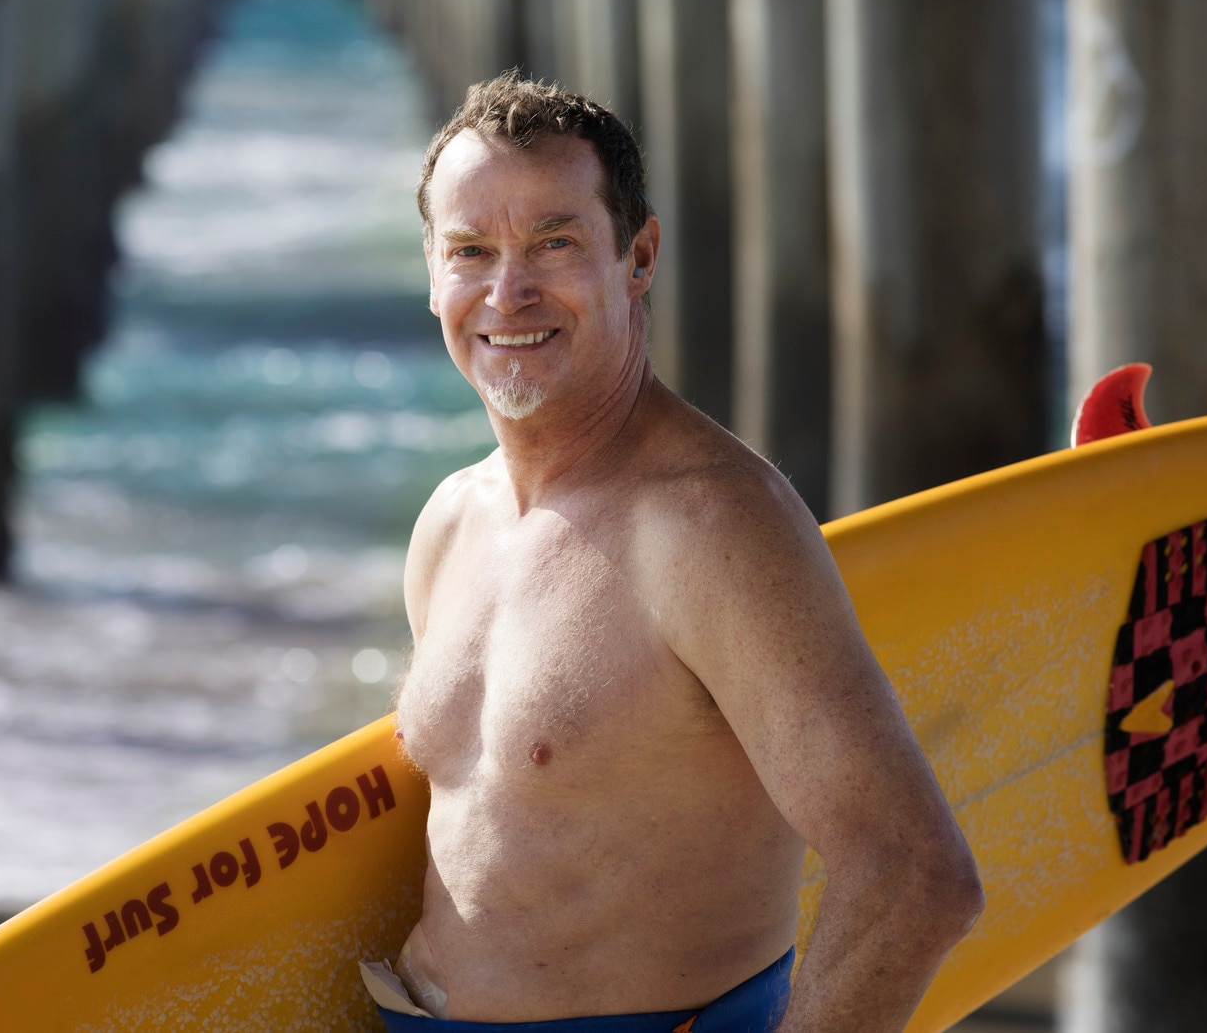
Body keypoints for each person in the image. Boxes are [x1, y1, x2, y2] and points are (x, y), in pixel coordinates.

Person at [363, 74, 983, 1032]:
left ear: (638, 255)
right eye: (471, 251)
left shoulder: (711, 529)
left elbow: (915, 875)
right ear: (433, 272)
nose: (507, 290)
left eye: (555, 242)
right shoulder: (450, 523)